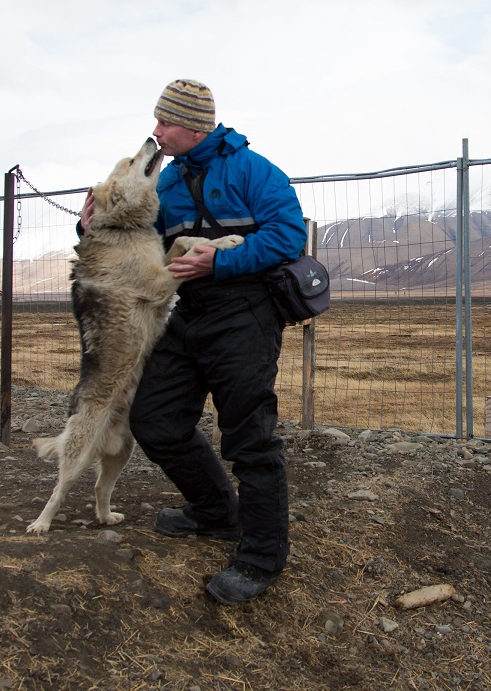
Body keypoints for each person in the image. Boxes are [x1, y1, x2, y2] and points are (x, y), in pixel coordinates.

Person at [82, 79, 307, 605]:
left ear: (193, 125)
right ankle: (214, 513)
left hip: (246, 312)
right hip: (187, 313)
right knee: (155, 420)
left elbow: (288, 235)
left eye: (164, 123)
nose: (156, 132)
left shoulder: (255, 171)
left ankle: (261, 557)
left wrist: (222, 260)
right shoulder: (171, 181)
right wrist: (90, 224)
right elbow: (139, 238)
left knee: (249, 437)